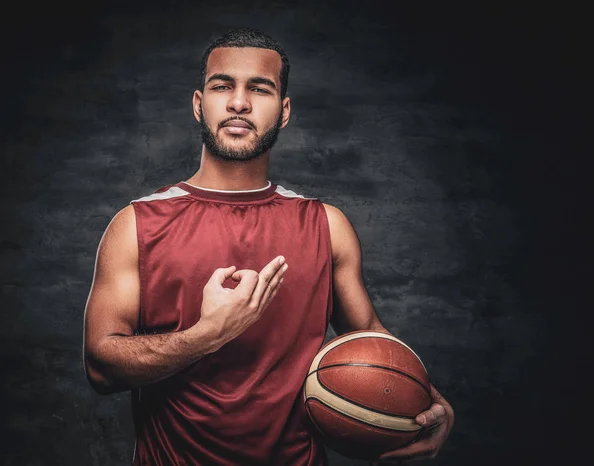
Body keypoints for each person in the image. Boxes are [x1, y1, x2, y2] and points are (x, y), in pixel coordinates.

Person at [83, 28, 454, 465]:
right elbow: (101, 367)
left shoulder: (326, 225)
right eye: (223, 86)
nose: (239, 102)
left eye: (260, 89)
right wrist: (207, 335)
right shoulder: (137, 226)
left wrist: (430, 405)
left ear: (284, 111)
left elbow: (369, 337)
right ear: (199, 104)